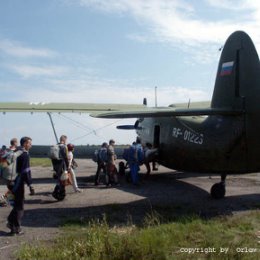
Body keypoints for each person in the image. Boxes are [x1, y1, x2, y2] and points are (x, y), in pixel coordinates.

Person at [6, 136, 33, 235]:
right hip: (18, 182)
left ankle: (11, 223)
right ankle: (15, 228)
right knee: (20, 206)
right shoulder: (24, 154)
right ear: (25, 143)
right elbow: (26, 171)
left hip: (10, 181)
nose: (31, 145)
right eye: (30, 143)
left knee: (16, 204)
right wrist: (30, 184)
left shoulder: (14, 151)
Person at [51, 135, 69, 201]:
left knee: (59, 179)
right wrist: (68, 167)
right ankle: (57, 193)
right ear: (64, 140)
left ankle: (61, 194)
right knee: (63, 180)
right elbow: (66, 157)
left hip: (56, 166)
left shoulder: (56, 146)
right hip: (62, 165)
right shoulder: (64, 147)